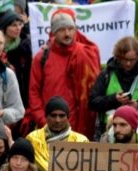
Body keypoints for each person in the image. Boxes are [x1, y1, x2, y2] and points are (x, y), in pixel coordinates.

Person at [27, 9, 100, 139]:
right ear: (54, 32)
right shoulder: (41, 58)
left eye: (71, 29)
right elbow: (34, 92)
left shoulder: (86, 53)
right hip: (49, 127)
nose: (67, 34)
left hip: (80, 128)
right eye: (62, 30)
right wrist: (43, 120)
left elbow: (94, 93)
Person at [89, 37, 138, 138]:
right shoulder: (106, 75)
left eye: (132, 60)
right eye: (125, 60)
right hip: (110, 131)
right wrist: (114, 99)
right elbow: (92, 102)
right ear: (118, 57)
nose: (128, 63)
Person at [25, 97, 89, 171]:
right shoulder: (32, 139)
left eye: (62, 116)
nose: (57, 120)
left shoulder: (81, 141)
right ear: (46, 117)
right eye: (53, 115)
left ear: (68, 117)